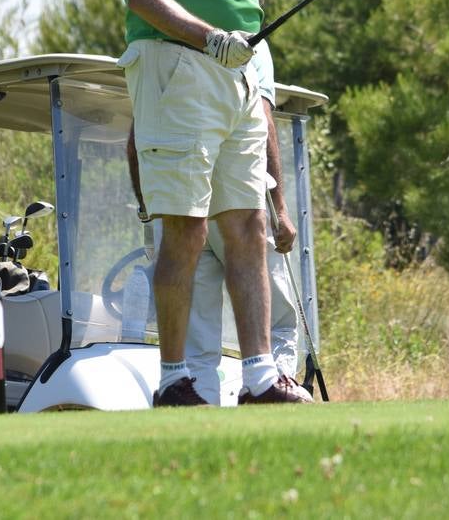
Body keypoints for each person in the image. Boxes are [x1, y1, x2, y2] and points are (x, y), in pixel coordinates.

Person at [104, 0, 307, 406]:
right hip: (177, 68)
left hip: (236, 71)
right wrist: (209, 38)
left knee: (246, 222)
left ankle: (258, 375)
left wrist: (235, 42)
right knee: (186, 227)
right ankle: (174, 381)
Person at [127, 39, 314, 404]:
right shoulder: (250, 44)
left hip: (183, 205)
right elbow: (261, 119)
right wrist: (280, 207)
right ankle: (271, 388)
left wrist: (149, 211)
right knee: (275, 324)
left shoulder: (164, 45)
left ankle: (202, 415)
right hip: (240, 205)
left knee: (197, 345)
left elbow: (137, 137)